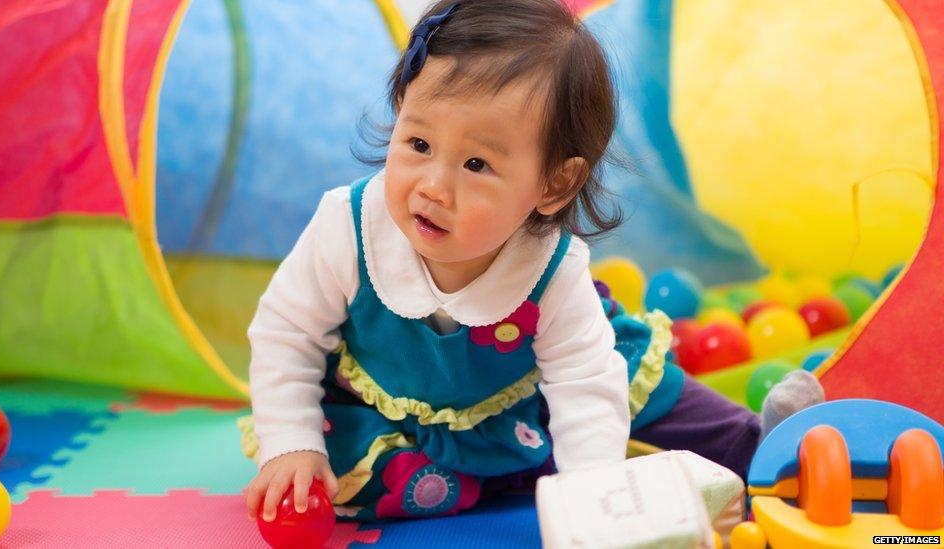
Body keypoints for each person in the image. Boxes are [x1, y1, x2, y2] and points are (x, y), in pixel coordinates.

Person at [242, 0, 823, 524]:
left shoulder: (551, 266)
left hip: (533, 398)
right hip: (397, 407)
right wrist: (291, 442)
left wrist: (592, 500)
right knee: (327, 452)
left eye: (476, 165)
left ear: (553, 183)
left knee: (642, 388)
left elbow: (585, 385)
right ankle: (462, 478)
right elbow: (286, 335)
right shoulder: (348, 226)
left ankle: (764, 443)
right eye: (418, 145)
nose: (434, 188)